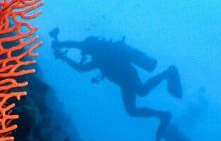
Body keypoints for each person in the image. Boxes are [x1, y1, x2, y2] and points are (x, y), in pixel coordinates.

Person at [51, 28, 181, 126]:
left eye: (85, 49)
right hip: (126, 78)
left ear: (90, 48)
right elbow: (74, 44)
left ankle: (166, 75)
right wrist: (59, 44)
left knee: (141, 94)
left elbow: (80, 67)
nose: (83, 52)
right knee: (133, 108)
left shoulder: (98, 57)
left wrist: (63, 55)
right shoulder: (99, 50)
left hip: (127, 77)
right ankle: (161, 113)